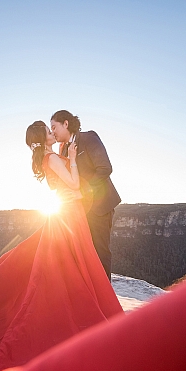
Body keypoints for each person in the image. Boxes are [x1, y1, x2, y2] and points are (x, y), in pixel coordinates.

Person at [0, 121, 123, 371]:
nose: (53, 133)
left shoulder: (49, 157)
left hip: (68, 213)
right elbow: (74, 185)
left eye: (53, 128)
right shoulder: (53, 158)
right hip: (70, 215)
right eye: (49, 131)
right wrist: (74, 159)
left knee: (65, 262)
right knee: (70, 262)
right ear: (43, 138)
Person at [50, 110, 121, 281]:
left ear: (66, 123)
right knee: (82, 253)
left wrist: (82, 193)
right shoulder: (62, 150)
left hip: (99, 207)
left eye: (54, 127)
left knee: (100, 251)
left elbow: (105, 168)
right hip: (79, 211)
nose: (53, 132)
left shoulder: (89, 138)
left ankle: (104, 294)